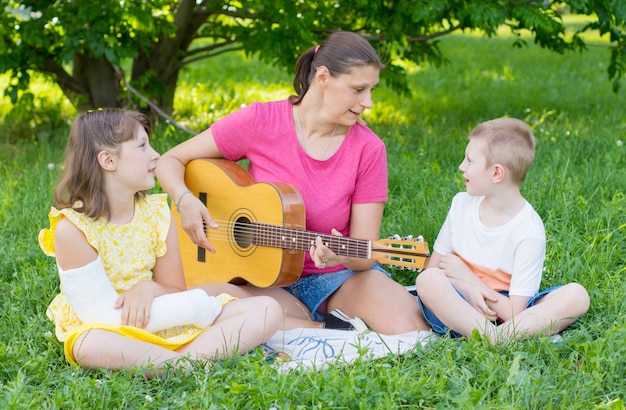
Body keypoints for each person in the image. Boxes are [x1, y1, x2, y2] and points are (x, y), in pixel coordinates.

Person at [156, 31, 429, 335]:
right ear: (323, 77)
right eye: (358, 89)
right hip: (259, 281)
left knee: (410, 327)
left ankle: (308, 326)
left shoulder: (368, 148)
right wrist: (185, 200)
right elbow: (170, 160)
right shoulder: (261, 121)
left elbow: (365, 253)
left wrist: (340, 255)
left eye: (372, 90)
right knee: (192, 303)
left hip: (338, 280)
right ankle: (316, 326)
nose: (369, 103)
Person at [39, 109, 282, 375]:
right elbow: (99, 316)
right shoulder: (73, 229)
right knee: (87, 344)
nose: (155, 155)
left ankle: (177, 363)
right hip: (111, 330)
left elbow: (176, 289)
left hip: (160, 313)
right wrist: (196, 308)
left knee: (268, 309)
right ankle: (186, 360)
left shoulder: (156, 214)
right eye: (142, 146)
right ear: (108, 160)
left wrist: (149, 288)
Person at [414, 118, 590, 341]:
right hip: (458, 307)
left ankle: (496, 338)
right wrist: (467, 288)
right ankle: (497, 339)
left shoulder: (528, 230)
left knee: (577, 296)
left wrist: (471, 279)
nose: (461, 166)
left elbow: (515, 314)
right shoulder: (461, 204)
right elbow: (432, 269)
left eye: (469, 160)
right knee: (427, 281)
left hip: (508, 312)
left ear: (496, 173)